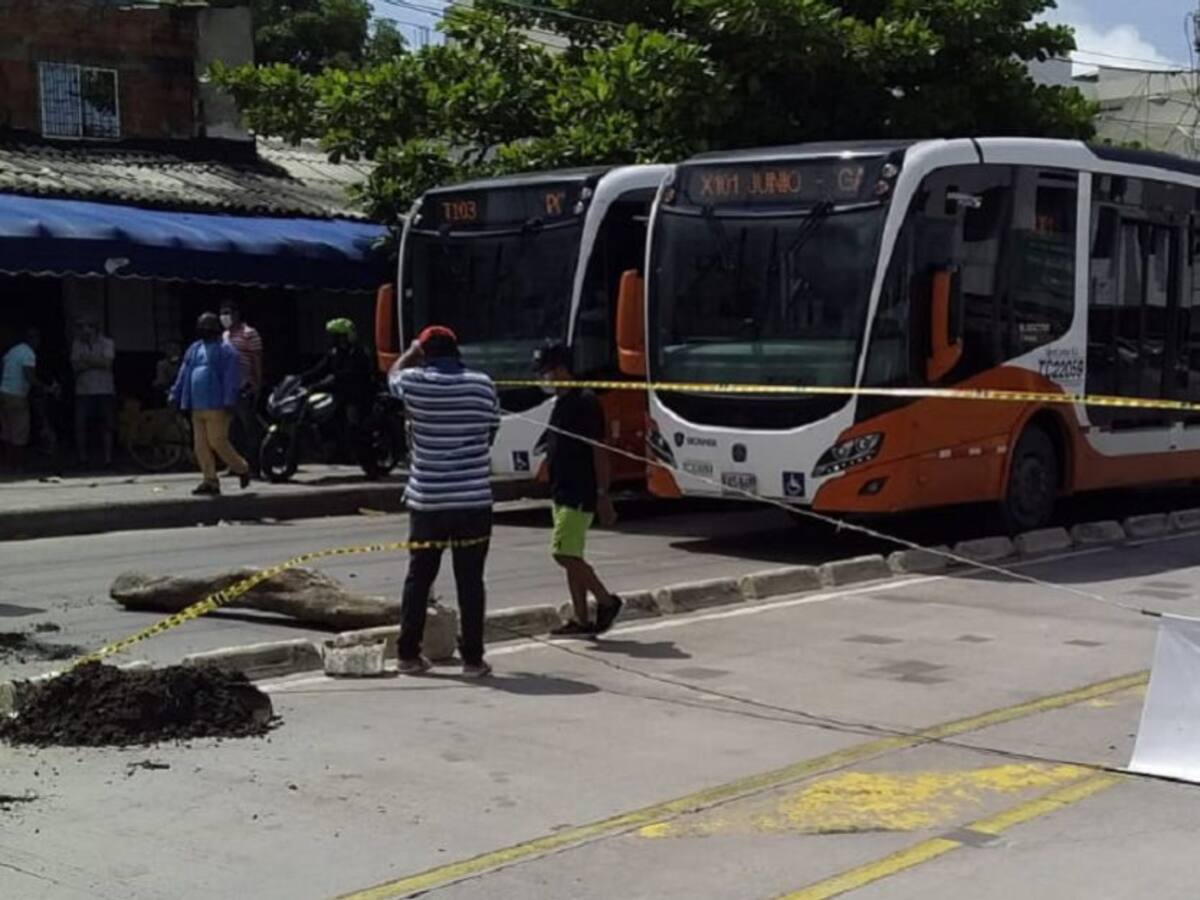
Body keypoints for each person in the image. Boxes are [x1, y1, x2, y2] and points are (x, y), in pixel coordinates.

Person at [388, 325, 500, 678]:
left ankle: (407, 654)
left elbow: (391, 377)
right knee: (470, 580)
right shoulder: (483, 384)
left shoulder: (414, 381)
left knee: (419, 577)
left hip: (428, 501)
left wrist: (410, 353)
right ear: (457, 351)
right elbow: (491, 431)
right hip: (473, 501)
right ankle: (472, 659)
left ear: (425, 353)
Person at [533, 341, 623, 637]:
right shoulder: (561, 402)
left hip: (579, 490)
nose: (544, 380)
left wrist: (602, 494)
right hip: (561, 489)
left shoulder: (585, 401)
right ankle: (581, 620)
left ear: (561, 370)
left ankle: (606, 601)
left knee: (563, 554)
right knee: (572, 554)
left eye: (546, 373)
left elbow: (599, 451)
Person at [169, 313, 252, 496]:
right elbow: (184, 374)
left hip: (217, 405)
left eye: (208, 328)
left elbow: (231, 378)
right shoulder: (194, 349)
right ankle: (210, 480)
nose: (205, 331)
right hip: (196, 405)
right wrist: (175, 394)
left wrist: (230, 400)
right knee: (200, 446)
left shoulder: (226, 350)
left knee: (218, 441)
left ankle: (241, 468)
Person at [303, 318, 376, 454]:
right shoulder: (334, 352)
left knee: (354, 425)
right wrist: (301, 378)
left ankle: (368, 461)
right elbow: (321, 369)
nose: (334, 339)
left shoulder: (358, 352)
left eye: (337, 336)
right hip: (338, 393)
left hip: (357, 395)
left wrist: (329, 381)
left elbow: (352, 374)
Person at [1, 328, 55, 470]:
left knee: (7, 431)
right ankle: (17, 464)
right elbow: (29, 376)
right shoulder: (28, 354)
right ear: (34, 339)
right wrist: (45, 387)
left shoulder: (13, 351)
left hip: (4, 392)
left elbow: (3, 367)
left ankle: (7, 463)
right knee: (20, 431)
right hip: (17, 395)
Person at [220, 301, 264, 474]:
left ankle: (254, 465)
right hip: (227, 389)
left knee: (249, 428)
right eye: (222, 313)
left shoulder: (249, 333)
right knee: (232, 430)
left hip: (244, 386)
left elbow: (257, 359)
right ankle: (235, 464)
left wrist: (257, 383)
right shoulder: (224, 336)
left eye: (227, 312)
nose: (224, 316)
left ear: (237, 314)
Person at [70, 318, 116, 468]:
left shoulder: (107, 343)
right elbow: (75, 366)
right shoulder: (77, 344)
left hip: (104, 389)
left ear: (94, 329)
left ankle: (108, 458)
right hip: (83, 390)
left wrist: (87, 361)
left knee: (107, 424)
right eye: (81, 328)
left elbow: (107, 364)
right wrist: (97, 361)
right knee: (80, 424)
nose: (83, 331)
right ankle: (82, 458)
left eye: (86, 327)